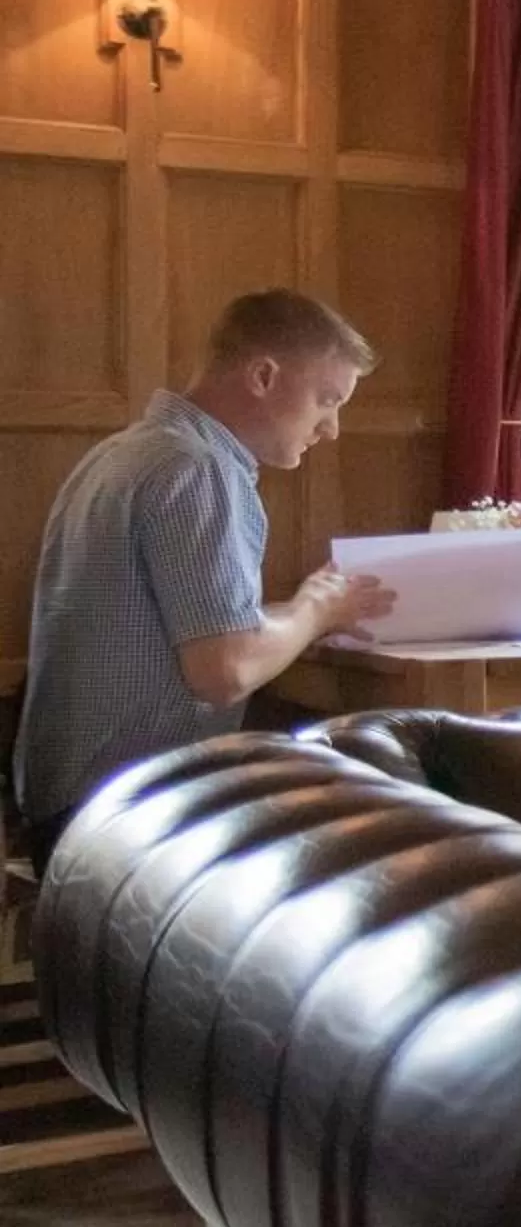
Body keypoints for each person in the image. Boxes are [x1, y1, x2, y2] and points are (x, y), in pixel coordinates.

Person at [13, 290, 395, 866]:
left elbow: (206, 635)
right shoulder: (198, 469)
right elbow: (225, 671)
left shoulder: (124, 452)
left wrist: (308, 610)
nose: (331, 428)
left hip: (67, 805)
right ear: (263, 376)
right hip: (128, 817)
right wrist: (314, 610)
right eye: (327, 399)